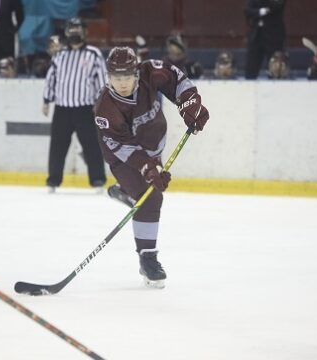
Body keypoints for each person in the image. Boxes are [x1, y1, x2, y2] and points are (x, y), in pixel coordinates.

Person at [93, 47, 209, 288]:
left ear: (136, 73)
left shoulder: (151, 71)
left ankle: (128, 192)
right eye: (116, 77)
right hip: (123, 157)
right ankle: (148, 259)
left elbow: (177, 79)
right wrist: (147, 168)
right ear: (108, 77)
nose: (122, 83)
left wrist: (190, 103)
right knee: (151, 200)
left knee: (145, 195)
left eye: (127, 76)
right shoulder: (106, 107)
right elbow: (123, 146)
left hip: (153, 146)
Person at [42, 17, 107, 192]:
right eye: (71, 29)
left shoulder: (93, 53)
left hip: (85, 108)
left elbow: (101, 81)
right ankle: (53, 181)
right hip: (62, 108)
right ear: (66, 33)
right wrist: (47, 100)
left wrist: (100, 104)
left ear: (84, 32)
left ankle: (98, 180)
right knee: (58, 146)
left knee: (91, 145)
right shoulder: (60, 55)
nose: (75, 32)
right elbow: (52, 78)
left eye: (78, 29)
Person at [244, 0, 286, 79]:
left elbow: (276, 6)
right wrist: (261, 11)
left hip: (274, 36)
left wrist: (259, 9)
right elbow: (248, 10)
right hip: (256, 35)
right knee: (251, 67)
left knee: (275, 68)